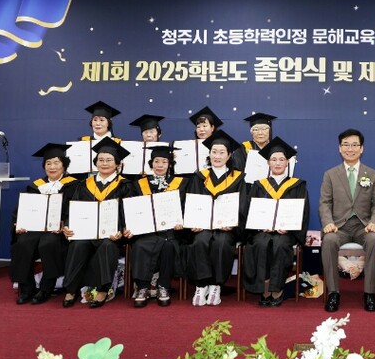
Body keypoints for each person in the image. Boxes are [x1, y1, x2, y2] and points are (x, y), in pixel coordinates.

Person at [62, 137, 135, 308]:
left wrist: (121, 230)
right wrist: (68, 226)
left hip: (113, 234)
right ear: (95, 163)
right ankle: (71, 289)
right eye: (101, 160)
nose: (104, 163)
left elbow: (129, 213)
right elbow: (73, 209)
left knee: (107, 245)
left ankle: (103, 289)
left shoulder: (125, 185)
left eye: (109, 160)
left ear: (118, 164)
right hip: (86, 232)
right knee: (78, 244)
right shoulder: (84, 185)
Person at [319, 128, 375, 312]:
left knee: (374, 240)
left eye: (355, 145)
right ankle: (333, 293)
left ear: (361, 148)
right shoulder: (330, 174)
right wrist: (328, 223)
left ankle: (369, 293)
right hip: (339, 227)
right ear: (339, 148)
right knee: (329, 241)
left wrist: (374, 222)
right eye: (346, 145)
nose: (350, 149)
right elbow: (324, 203)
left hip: (364, 227)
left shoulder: (373, 174)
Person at [242, 137, 309, 306]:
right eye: (273, 159)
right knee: (260, 243)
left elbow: (303, 211)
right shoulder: (259, 185)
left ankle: (277, 288)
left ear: (287, 162)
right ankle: (265, 287)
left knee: (280, 244)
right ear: (268, 163)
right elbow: (250, 210)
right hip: (262, 231)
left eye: (281, 159)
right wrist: (259, 226)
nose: (277, 163)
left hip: (286, 232)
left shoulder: (297, 185)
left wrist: (289, 228)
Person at [11, 143, 79, 305]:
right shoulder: (35, 186)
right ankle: (27, 288)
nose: (52, 167)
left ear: (64, 165)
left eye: (56, 163)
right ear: (44, 166)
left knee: (48, 243)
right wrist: (19, 224)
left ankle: (45, 288)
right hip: (35, 229)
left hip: (57, 232)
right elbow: (21, 210)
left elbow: (76, 209)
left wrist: (64, 224)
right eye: (48, 163)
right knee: (23, 242)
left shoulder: (73, 185)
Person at [186, 130, 246, 306]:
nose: (217, 156)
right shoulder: (199, 177)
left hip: (226, 227)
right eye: (214, 152)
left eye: (221, 152)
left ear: (229, 156)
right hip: (203, 226)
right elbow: (192, 202)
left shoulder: (238, 178)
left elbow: (242, 205)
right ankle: (201, 285)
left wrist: (233, 223)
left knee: (221, 242)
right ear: (209, 154)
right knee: (200, 241)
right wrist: (193, 223)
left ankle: (215, 285)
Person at [125, 146, 188, 307]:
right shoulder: (138, 184)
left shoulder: (182, 183)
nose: (160, 165)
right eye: (156, 161)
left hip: (171, 231)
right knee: (140, 245)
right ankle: (143, 287)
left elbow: (185, 208)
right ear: (151, 163)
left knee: (168, 245)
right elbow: (133, 210)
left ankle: (163, 286)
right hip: (146, 231)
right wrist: (130, 227)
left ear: (170, 164)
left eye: (164, 162)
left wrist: (182, 222)